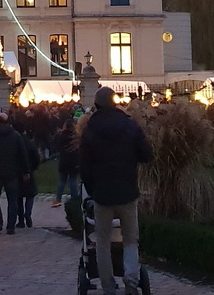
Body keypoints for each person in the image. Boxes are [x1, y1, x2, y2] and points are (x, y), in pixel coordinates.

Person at [79, 87, 153, 295]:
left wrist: (92, 190)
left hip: (102, 194)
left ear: (96, 105)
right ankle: (131, 280)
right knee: (130, 239)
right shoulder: (129, 126)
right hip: (127, 191)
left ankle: (108, 286)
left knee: (102, 242)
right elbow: (146, 154)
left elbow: (84, 167)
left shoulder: (90, 130)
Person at [0, 112, 29, 234]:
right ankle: (11, 226)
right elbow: (22, 154)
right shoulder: (15, 135)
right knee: (12, 199)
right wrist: (26, 171)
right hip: (12, 171)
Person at [53, 119, 80, 208]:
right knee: (73, 180)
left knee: (62, 180)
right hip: (74, 160)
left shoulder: (61, 136)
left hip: (64, 160)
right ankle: (74, 199)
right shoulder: (76, 137)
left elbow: (57, 147)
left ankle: (58, 199)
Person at [18, 131, 41, 228]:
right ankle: (28, 214)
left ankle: (21, 219)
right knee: (30, 195)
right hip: (29, 170)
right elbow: (36, 157)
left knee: (18, 196)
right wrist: (33, 168)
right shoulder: (29, 143)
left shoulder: (16, 142)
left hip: (17, 171)